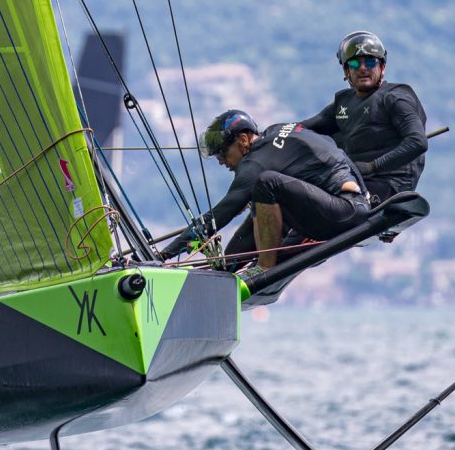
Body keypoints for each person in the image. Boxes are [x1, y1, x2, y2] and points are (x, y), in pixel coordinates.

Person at [160, 110, 370, 271]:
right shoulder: (278, 130)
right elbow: (331, 139)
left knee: (266, 183)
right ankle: (227, 272)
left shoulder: (254, 165)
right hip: (349, 204)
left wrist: (164, 254)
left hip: (344, 209)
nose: (221, 161)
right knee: (257, 207)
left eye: (223, 152)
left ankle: (263, 268)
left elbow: (220, 214)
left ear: (243, 140)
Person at [301, 31, 427, 203]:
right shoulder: (344, 102)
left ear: (382, 67)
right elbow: (304, 128)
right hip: (351, 180)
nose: (362, 68)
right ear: (346, 70)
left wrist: (372, 167)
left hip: (388, 184)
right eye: (354, 63)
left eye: (370, 62)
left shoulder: (395, 98)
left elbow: (418, 142)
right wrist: (272, 134)